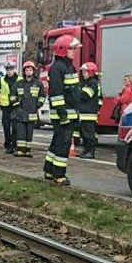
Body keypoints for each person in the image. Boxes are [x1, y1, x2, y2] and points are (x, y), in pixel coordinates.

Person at [44, 35, 81, 185]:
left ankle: (49, 170)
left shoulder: (69, 66)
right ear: (63, 49)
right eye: (71, 48)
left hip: (69, 112)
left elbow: (73, 92)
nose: (74, 51)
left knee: (57, 142)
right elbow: (57, 94)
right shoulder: (58, 68)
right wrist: (63, 114)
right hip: (62, 114)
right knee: (63, 144)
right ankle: (59, 175)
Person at [11, 61, 44, 157]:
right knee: (21, 133)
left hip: (32, 113)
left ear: (33, 71)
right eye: (27, 70)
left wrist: (39, 104)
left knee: (29, 133)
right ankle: (20, 150)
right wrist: (16, 105)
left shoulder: (38, 84)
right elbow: (12, 95)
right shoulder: (19, 83)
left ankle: (28, 151)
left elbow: (42, 95)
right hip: (20, 112)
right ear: (24, 72)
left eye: (30, 70)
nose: (28, 72)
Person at [0, 61, 21, 154]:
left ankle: (15, 146)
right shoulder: (2, 79)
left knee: (15, 128)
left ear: (14, 69)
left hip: (16, 106)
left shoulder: (20, 79)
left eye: (11, 69)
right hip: (5, 107)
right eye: (8, 69)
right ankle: (8, 146)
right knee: (6, 127)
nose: (9, 71)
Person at [76, 62, 102, 159]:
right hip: (84, 113)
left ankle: (90, 152)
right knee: (84, 134)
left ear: (91, 72)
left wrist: (75, 91)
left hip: (89, 114)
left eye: (85, 72)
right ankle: (86, 151)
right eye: (83, 72)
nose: (83, 74)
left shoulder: (93, 83)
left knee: (89, 134)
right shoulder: (87, 83)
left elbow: (85, 95)